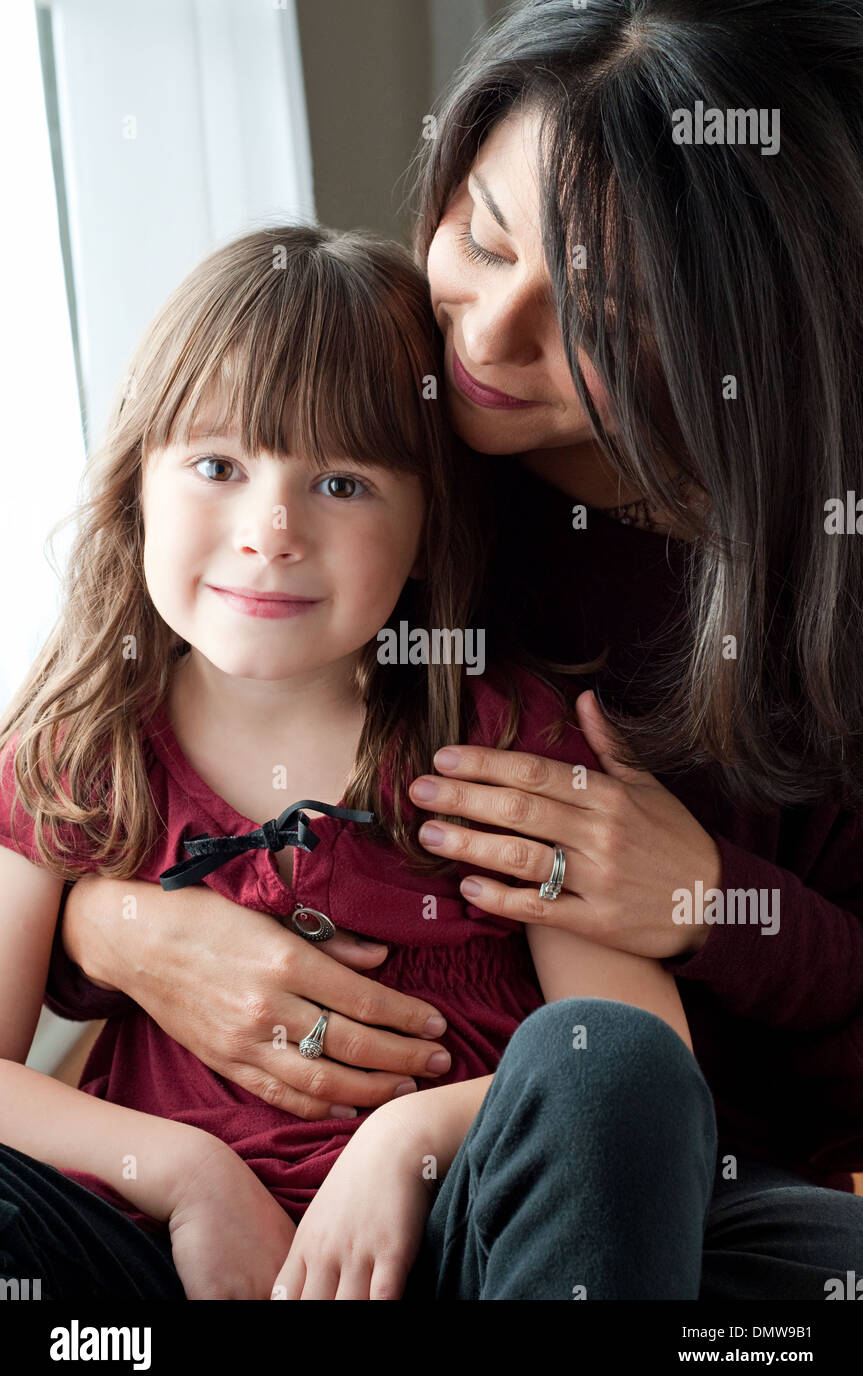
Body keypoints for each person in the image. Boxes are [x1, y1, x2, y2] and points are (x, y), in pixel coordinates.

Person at [45, 0, 863, 1298]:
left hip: (616, 1169)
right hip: (221, 1189)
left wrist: (709, 905)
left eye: (603, 310)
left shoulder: (791, 577)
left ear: (731, 338)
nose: (480, 337)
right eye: (480, 239)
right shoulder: (370, 413)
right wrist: (121, 926)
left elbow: (632, 1063)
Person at [0, 223, 697, 1301]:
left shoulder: (502, 735)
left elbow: (636, 1054)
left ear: (428, 522)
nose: (270, 529)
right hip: (153, 1257)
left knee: (602, 1063)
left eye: (341, 483)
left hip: (465, 1247)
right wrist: (186, 1176)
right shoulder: (75, 742)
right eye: (217, 465)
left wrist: (409, 1141)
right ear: (137, 483)